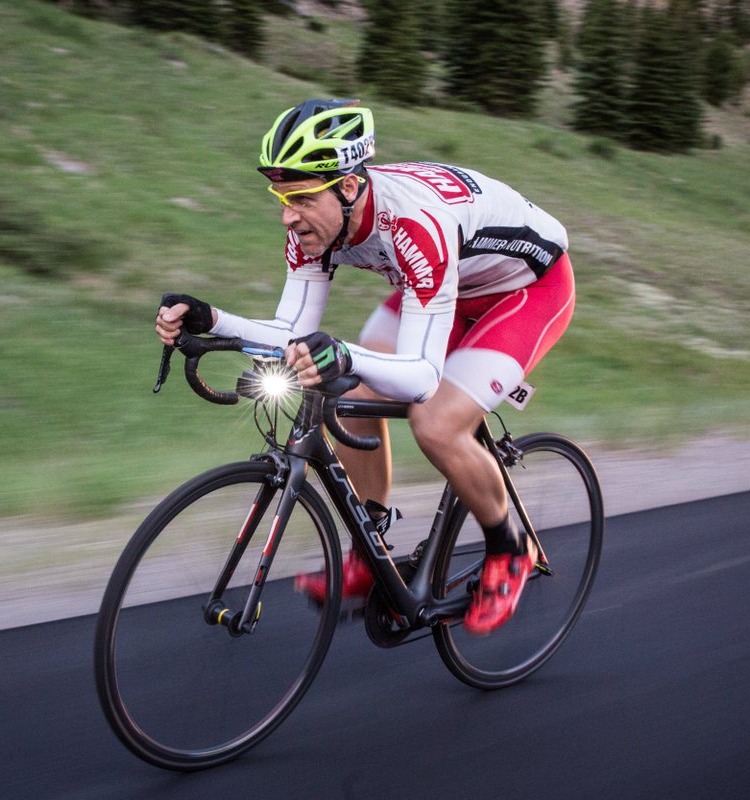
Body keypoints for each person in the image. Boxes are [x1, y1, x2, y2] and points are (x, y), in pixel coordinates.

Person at [156, 99, 574, 635]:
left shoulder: (415, 224)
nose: (288, 215)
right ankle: (370, 546)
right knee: (346, 388)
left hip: (525, 293)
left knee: (436, 423)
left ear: (349, 188)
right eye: (282, 198)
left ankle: (508, 548)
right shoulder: (313, 228)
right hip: (440, 287)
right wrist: (210, 319)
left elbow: (422, 379)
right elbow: (291, 332)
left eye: (302, 198)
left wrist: (346, 354)